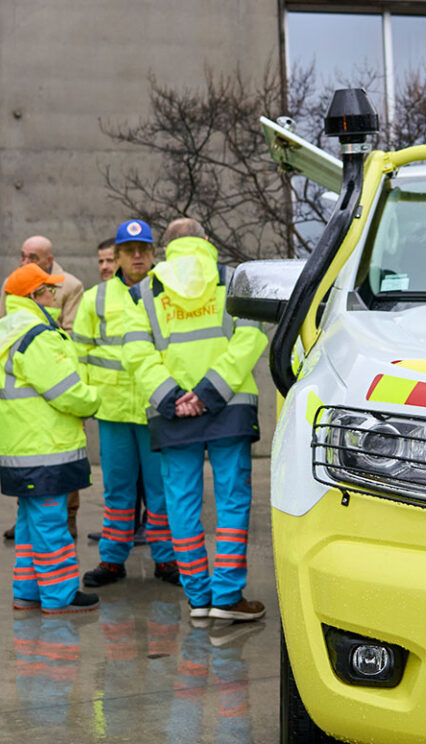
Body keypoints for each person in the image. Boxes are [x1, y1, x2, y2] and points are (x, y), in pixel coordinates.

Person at [121, 218, 267, 623]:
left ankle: (199, 599)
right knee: (232, 501)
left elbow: (136, 354)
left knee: (181, 504)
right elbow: (251, 337)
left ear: (165, 249)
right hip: (229, 406)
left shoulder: (144, 292)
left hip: (172, 414)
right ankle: (227, 596)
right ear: (205, 241)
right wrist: (209, 393)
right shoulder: (235, 280)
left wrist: (173, 397)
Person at [0, 264, 100, 614]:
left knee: (30, 524)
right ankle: (60, 596)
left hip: (20, 448)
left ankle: (28, 592)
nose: (55, 295)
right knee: (52, 525)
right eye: (49, 290)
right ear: (34, 296)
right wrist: (94, 400)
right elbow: (65, 391)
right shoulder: (36, 336)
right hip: (46, 446)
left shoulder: (3, 332)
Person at [79, 221, 176, 588]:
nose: (138, 256)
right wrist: (86, 403)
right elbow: (81, 354)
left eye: (144, 249)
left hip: (156, 409)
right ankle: (112, 560)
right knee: (117, 489)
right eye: (129, 250)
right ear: (116, 257)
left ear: (154, 254)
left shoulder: (168, 293)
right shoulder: (96, 298)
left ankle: (166, 560)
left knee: (160, 490)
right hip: (113, 410)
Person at [19, 235, 86, 534]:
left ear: (49, 259)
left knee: (65, 451)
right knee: (26, 452)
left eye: (32, 257)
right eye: (22, 256)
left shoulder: (69, 285)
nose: (25, 262)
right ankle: (25, 514)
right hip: (22, 385)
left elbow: (72, 334)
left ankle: (68, 516)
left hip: (58, 376)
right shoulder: (15, 283)